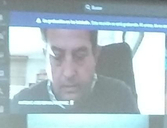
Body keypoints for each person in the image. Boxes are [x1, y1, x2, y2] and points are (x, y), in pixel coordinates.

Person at [11, 28, 139, 113]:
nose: (69, 73)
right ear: (46, 56)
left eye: (80, 56)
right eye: (57, 57)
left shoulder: (120, 96)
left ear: (95, 54)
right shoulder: (21, 103)